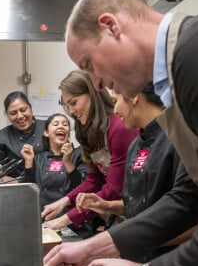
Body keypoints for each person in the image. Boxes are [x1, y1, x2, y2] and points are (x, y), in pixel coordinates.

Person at [43, 0, 198, 266]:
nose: (95, 83)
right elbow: (189, 197)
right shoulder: (179, 76)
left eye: (89, 64)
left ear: (110, 26)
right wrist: (94, 247)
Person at [76, 82, 198, 262]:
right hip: (135, 258)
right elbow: (137, 205)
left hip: (170, 260)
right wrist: (105, 205)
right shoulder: (135, 145)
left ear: (134, 96)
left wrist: (131, 241)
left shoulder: (179, 138)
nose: (115, 110)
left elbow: (193, 218)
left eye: (115, 101)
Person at [41, 69, 138, 234]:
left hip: (135, 209)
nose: (71, 111)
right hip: (119, 214)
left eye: (74, 102)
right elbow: (95, 180)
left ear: (92, 94)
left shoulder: (118, 128)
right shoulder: (93, 132)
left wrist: (65, 219)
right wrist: (64, 201)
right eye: (67, 106)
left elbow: (114, 189)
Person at [20, 113, 88, 211]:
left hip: (71, 216)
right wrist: (28, 162)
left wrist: (68, 161)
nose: (61, 126)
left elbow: (84, 187)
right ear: (46, 133)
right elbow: (26, 192)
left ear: (69, 132)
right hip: (44, 215)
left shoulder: (79, 154)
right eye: (56, 124)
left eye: (65, 124)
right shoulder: (38, 158)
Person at [0, 91, 45, 183]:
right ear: (7, 115)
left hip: (50, 187)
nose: (20, 116)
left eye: (23, 110)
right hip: (16, 189)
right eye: (13, 113)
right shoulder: (1, 137)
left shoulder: (48, 128)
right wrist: (19, 185)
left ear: (30, 108)